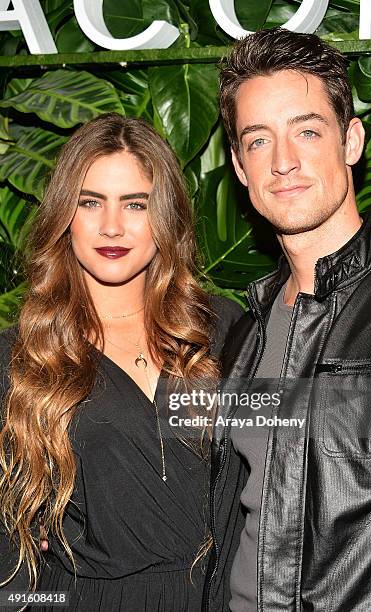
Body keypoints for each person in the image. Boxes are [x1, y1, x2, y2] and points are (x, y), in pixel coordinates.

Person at [0, 113, 242, 611]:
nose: (112, 226)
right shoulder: (21, 355)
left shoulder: (224, 328)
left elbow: (297, 455)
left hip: (220, 599)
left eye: (136, 204)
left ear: (166, 215)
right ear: (65, 214)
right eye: (90, 202)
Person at [203, 27, 371, 612]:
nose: (284, 162)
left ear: (352, 141)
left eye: (307, 131)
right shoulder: (246, 330)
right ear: (241, 168)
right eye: (259, 141)